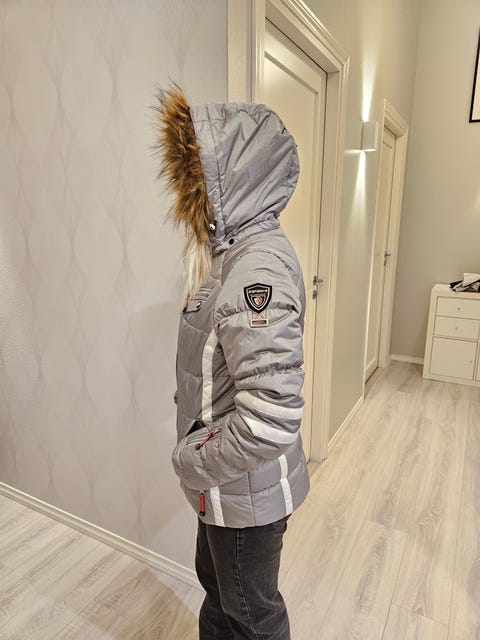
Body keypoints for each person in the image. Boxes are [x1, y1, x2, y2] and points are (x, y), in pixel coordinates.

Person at [153, 84, 310, 640]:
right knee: (222, 596)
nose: (187, 192)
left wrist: (192, 459)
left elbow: (269, 419)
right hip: (230, 485)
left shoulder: (254, 272)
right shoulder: (234, 259)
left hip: (242, 489)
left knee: (252, 616)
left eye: (196, 177)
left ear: (231, 180)